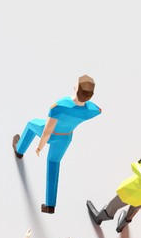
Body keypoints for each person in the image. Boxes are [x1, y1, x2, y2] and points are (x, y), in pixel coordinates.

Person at [18, 78, 102, 207]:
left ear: (76, 88)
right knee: (53, 162)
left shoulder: (61, 106)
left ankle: (19, 149)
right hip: (65, 138)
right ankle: (50, 205)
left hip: (51, 134)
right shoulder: (91, 110)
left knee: (31, 124)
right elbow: (99, 110)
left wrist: (40, 147)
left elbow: (47, 131)